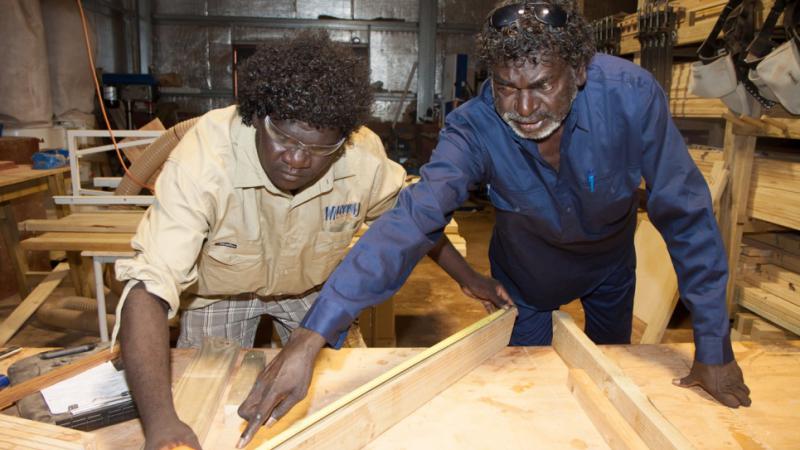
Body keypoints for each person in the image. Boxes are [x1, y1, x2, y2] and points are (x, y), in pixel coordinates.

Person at [236, 0, 752, 444]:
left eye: (542, 85)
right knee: (523, 398)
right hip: (523, 282)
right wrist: (310, 338)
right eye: (506, 87)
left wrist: (712, 344)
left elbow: (685, 213)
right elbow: (410, 223)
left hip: (608, 272)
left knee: (609, 382)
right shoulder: (473, 128)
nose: (524, 108)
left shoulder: (631, 97)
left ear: (578, 72)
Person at [114, 31, 510, 450]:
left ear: (342, 140)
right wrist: (159, 425)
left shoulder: (361, 156)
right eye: (284, 139)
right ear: (259, 117)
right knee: (201, 405)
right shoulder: (205, 157)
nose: (298, 159)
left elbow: (410, 224)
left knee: (341, 407)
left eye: (319, 148)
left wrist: (468, 278)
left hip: (312, 291)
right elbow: (148, 288)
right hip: (218, 294)